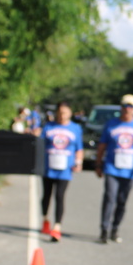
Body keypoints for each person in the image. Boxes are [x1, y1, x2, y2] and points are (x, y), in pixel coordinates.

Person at [95, 94, 133, 244]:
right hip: (112, 168)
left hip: (130, 170)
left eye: (130, 106)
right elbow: (102, 146)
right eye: (125, 106)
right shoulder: (111, 124)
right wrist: (98, 164)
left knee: (122, 201)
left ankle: (115, 229)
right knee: (109, 197)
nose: (127, 109)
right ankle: (104, 229)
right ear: (121, 108)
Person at [40, 101, 83, 243]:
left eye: (64, 113)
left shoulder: (75, 128)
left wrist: (78, 162)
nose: (61, 115)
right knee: (46, 196)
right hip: (48, 167)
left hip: (65, 169)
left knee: (60, 196)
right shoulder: (48, 127)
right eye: (59, 113)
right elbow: (40, 145)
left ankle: (57, 227)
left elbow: (79, 148)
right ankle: (45, 219)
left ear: (70, 113)